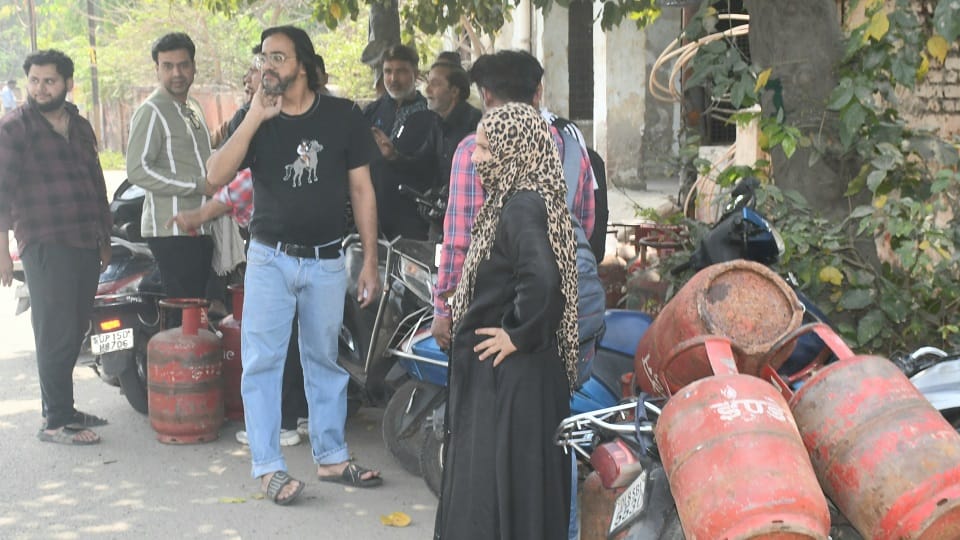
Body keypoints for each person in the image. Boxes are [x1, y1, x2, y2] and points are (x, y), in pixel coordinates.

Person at [205, 25, 382, 505]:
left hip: (327, 260)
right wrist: (253, 118)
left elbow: (362, 189)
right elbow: (214, 178)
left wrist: (369, 260)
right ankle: (268, 469)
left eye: (278, 58)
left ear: (302, 64)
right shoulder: (256, 116)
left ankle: (331, 457)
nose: (268, 67)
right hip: (270, 260)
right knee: (261, 363)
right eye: (264, 58)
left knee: (324, 362)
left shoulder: (344, 116)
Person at [434, 102, 578, 539]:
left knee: (497, 499)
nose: (475, 158)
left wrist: (518, 335)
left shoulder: (521, 206)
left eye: (484, 150)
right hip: (514, 379)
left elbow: (544, 282)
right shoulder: (519, 199)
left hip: (511, 381)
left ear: (515, 152)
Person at [0, 50, 112, 445]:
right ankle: (56, 422)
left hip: (83, 238)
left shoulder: (79, 126)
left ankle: (64, 407)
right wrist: (3, 247)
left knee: (77, 326)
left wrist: (105, 238)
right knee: (54, 331)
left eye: (49, 81)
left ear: (67, 83)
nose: (41, 88)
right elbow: (2, 190)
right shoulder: (15, 127)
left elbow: (95, 184)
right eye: (34, 80)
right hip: (45, 241)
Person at [126, 32, 216, 323]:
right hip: (171, 233)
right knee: (182, 319)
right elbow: (138, 170)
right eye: (168, 66)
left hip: (200, 228)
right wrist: (197, 184)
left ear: (193, 67)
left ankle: (194, 369)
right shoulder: (151, 111)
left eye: (183, 65)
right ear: (157, 69)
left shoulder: (194, 107)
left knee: (197, 313)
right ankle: (174, 370)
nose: (176, 73)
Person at [363, 45, 442, 240]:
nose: (393, 79)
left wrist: (395, 157)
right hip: (373, 215)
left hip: (413, 220)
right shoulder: (372, 111)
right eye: (388, 71)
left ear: (415, 73)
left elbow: (431, 168)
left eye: (401, 72)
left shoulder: (431, 115)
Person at [425, 60, 482, 191]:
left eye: (435, 84)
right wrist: (394, 155)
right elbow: (423, 162)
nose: (427, 89)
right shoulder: (436, 121)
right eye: (428, 83)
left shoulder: (475, 123)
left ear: (454, 91)